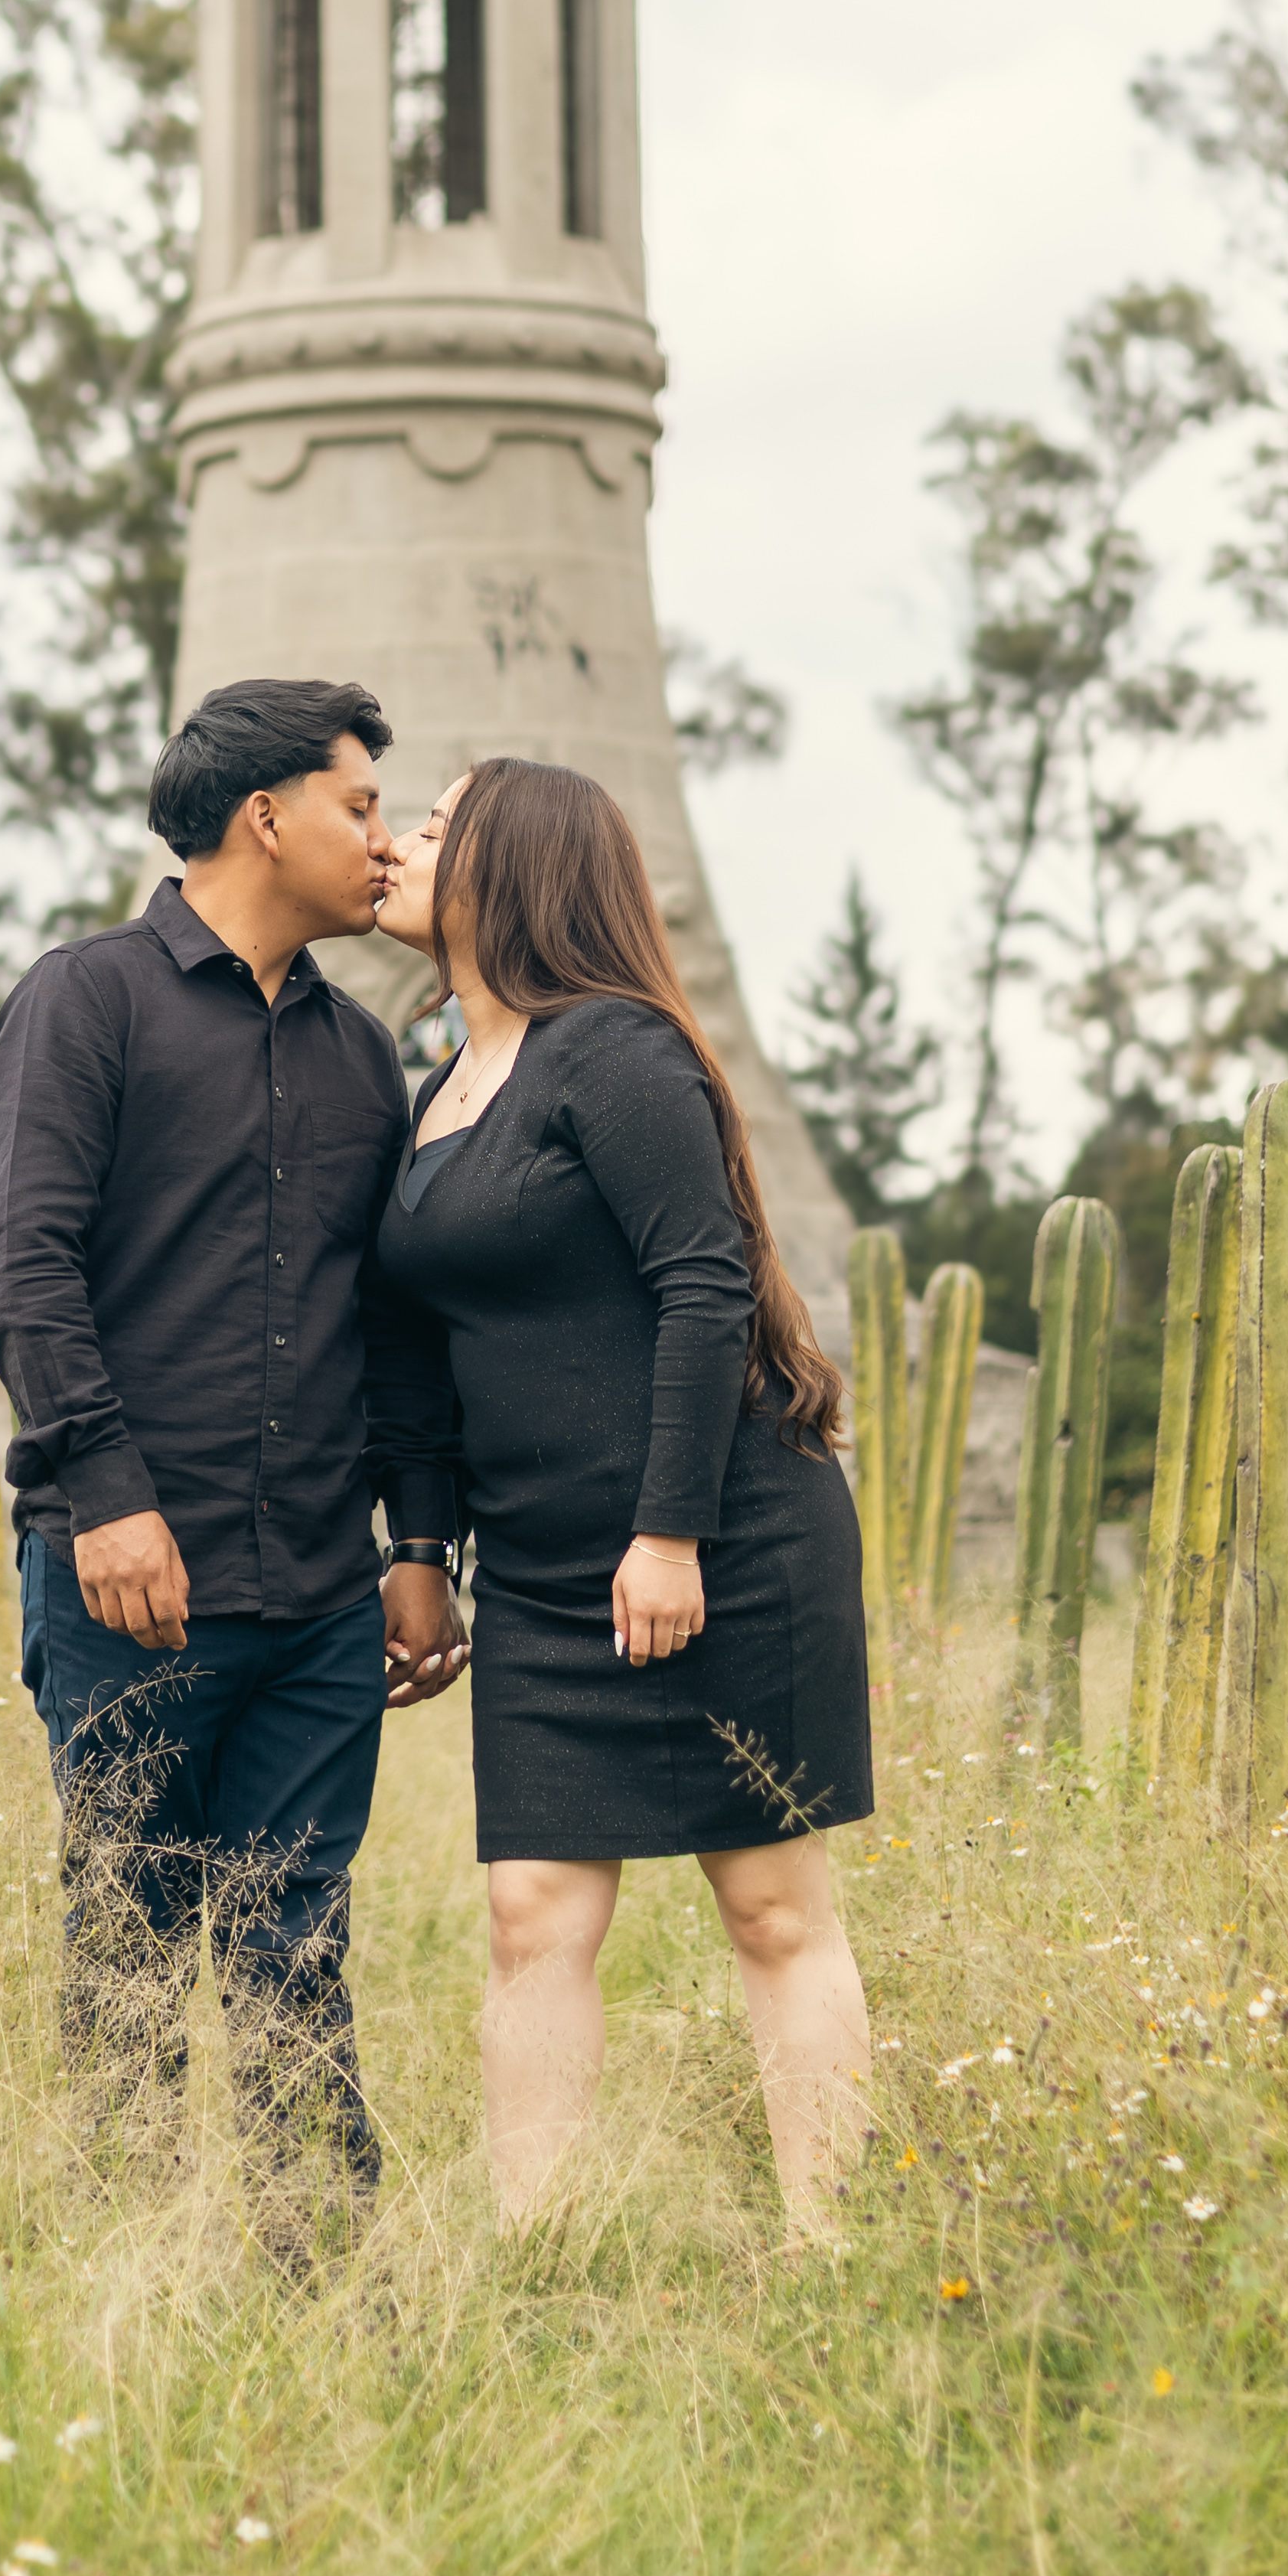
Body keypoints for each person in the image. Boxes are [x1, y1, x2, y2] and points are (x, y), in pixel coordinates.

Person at [0, 677, 467, 2241]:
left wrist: (415, 1547)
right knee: (122, 1949)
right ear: (266, 816)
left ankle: (318, 2281)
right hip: (130, 1588)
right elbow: (25, 1265)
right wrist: (104, 1495)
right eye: (358, 805)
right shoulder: (85, 1000)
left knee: (294, 1948)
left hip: (321, 1600)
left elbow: (388, 1323)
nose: (379, 841)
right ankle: (123, 2284)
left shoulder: (356, 1056)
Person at [370, 758, 877, 2238]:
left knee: (772, 1909)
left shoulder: (616, 1053)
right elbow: (409, 1356)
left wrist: (669, 1535)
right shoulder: (434, 1085)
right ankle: (543, 2251)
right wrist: (420, 1550)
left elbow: (702, 1285)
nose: (403, 843)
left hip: (720, 1542)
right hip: (538, 1573)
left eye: (441, 825)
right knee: (531, 1916)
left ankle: (830, 2246)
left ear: (512, 867)